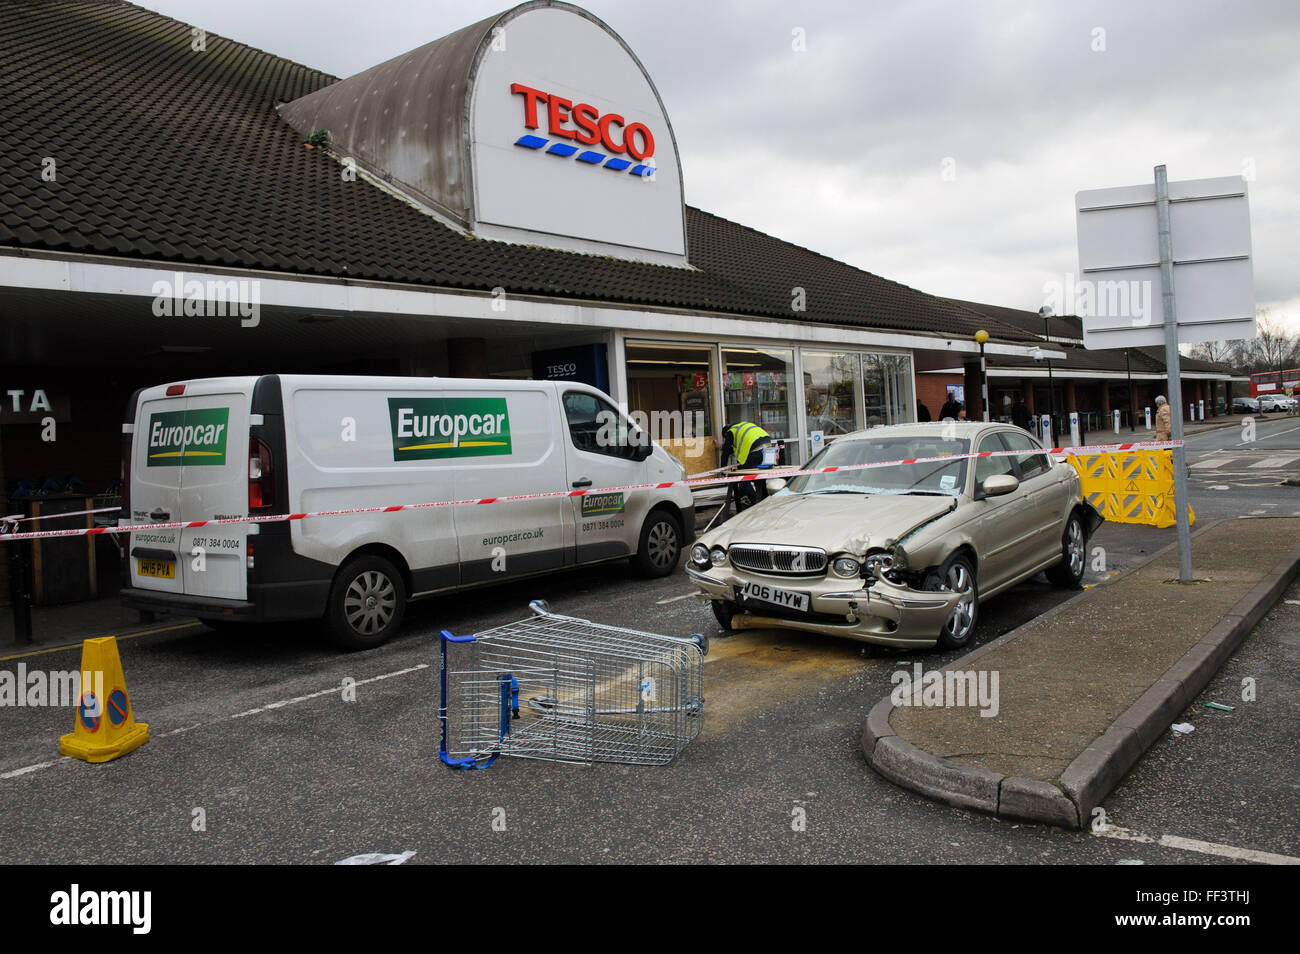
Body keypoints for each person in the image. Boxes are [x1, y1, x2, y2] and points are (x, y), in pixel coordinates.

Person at [719, 420, 773, 509]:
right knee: (759, 479)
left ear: (725, 434)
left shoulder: (730, 432)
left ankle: (756, 506)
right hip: (768, 447)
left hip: (755, 450)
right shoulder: (743, 426)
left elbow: (726, 453)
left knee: (744, 481)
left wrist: (722, 471)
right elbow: (736, 447)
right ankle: (765, 504)